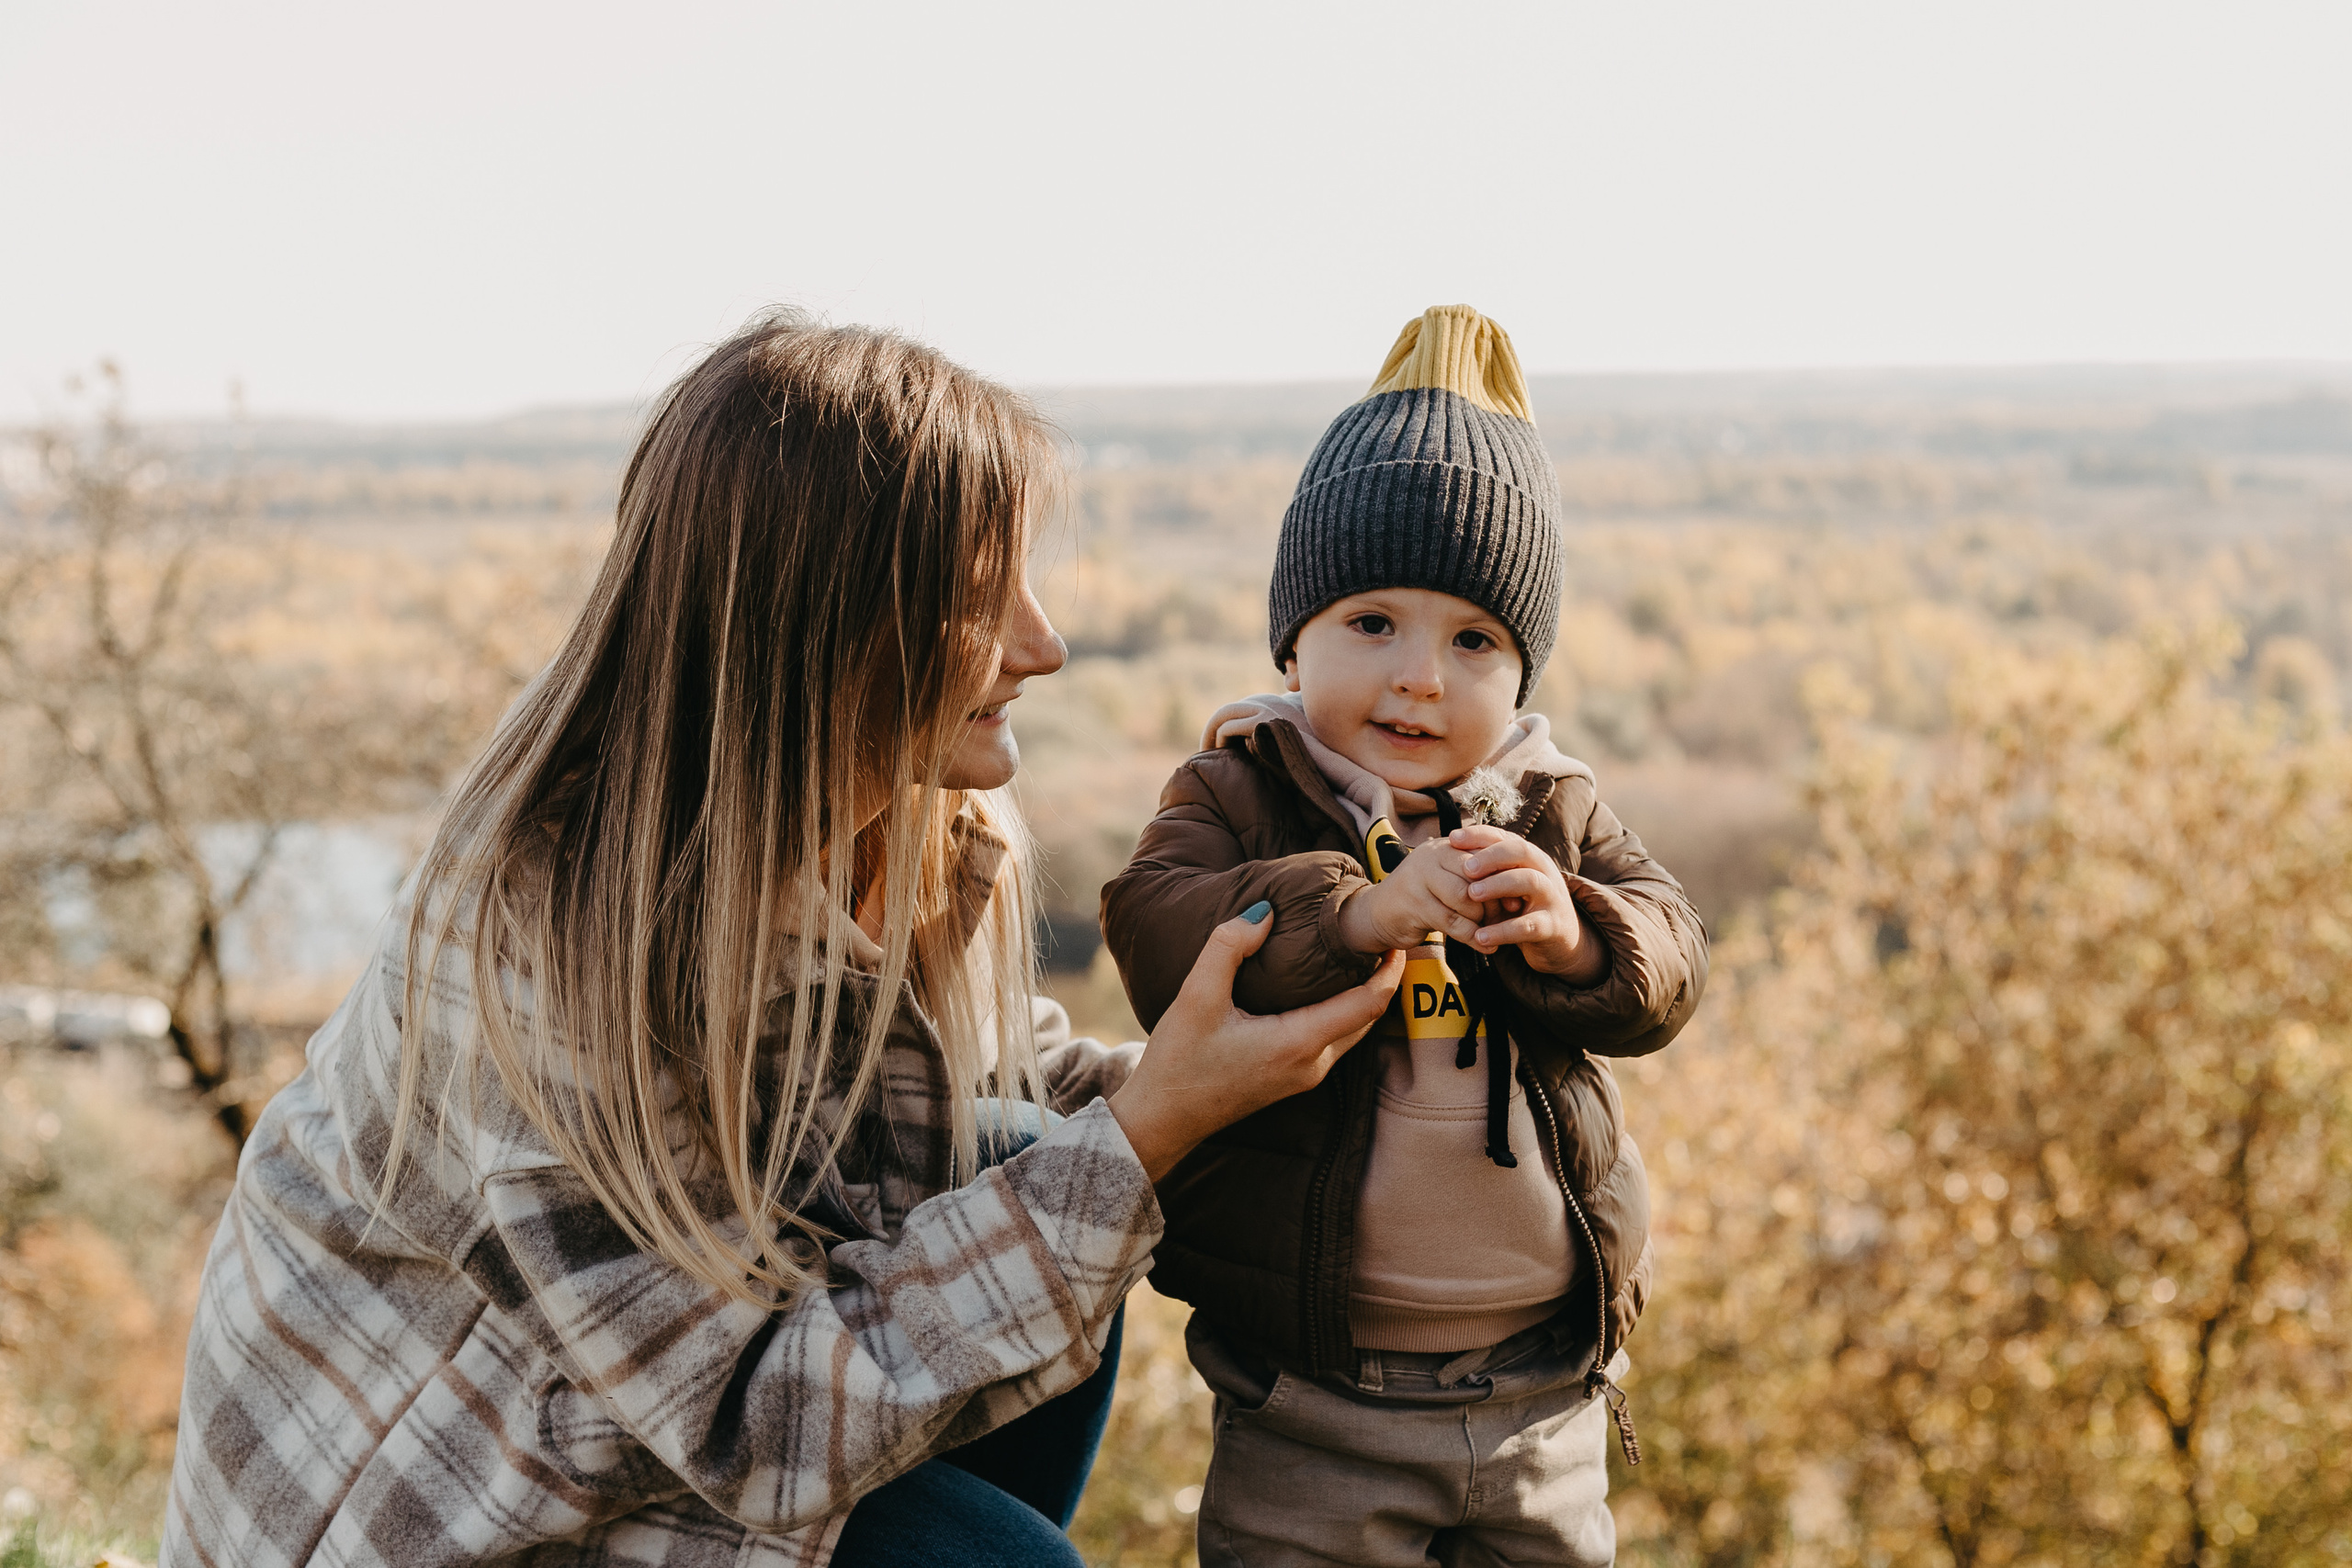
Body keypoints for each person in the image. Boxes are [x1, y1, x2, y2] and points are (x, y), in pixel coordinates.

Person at [161, 314, 1405, 1568]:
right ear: (827, 622)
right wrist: (1152, 1129)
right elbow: (750, 1422)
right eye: (983, 597)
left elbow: (1002, 1084)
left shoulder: (914, 826)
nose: (1045, 645)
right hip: (451, 1498)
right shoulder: (550, 934)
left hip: (661, 1416)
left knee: (1048, 1165)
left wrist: (1233, 1061)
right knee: (1032, 1413)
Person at [1102, 306, 1709, 1567]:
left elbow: (1672, 954)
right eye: (1373, 623)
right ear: (1295, 637)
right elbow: (1160, 930)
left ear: (1522, 672)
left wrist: (1574, 933)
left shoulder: (1550, 803)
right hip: (1314, 1400)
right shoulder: (1238, 788)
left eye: (1473, 640)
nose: (1422, 676)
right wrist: (1358, 910)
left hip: (1541, 1395)